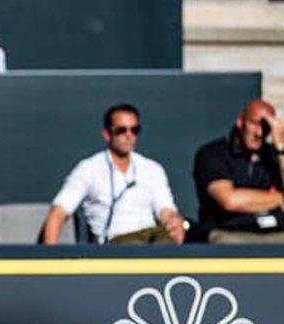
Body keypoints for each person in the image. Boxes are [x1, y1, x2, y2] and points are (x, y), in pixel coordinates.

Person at [43, 103, 186, 245]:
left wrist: (173, 221)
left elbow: (165, 208)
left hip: (151, 236)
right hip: (116, 242)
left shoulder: (152, 169)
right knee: (132, 246)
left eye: (134, 130)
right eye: (121, 130)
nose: (129, 135)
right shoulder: (89, 169)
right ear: (107, 134)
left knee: (167, 238)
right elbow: (59, 212)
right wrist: (49, 259)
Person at [192, 99, 284, 244]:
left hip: (277, 232)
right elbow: (230, 201)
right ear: (241, 122)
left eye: (265, 127)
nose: (259, 132)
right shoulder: (214, 153)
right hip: (231, 232)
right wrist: (280, 198)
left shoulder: (276, 155)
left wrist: (282, 149)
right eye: (254, 123)